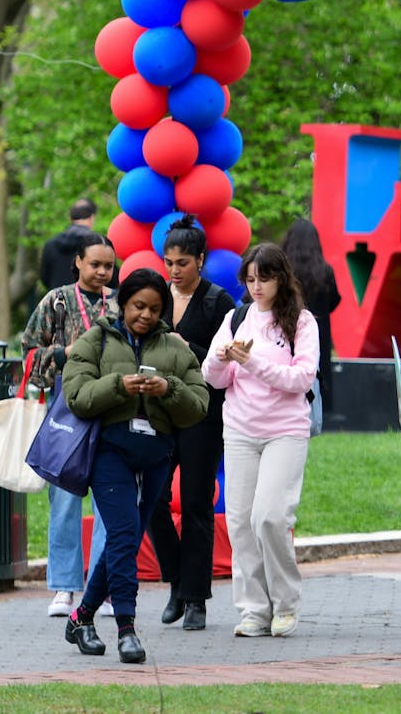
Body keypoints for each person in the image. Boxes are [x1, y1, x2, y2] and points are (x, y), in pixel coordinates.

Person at [61, 268, 210, 663]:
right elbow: (76, 394)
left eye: (154, 308)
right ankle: (127, 629)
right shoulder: (94, 341)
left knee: (124, 540)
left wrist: (168, 388)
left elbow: (199, 403)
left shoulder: (174, 348)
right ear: (123, 303)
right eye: (138, 306)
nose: (145, 315)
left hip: (158, 454)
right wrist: (117, 385)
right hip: (110, 453)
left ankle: (81, 617)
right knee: (125, 534)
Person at [201, 243, 320, 640]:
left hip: (285, 430)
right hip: (238, 429)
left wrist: (252, 362)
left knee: (269, 516)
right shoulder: (237, 319)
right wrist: (222, 358)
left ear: (281, 279)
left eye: (264, 278)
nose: (256, 287)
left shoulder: (301, 323)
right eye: (250, 279)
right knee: (239, 522)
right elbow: (211, 377)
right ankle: (254, 608)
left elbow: (301, 378)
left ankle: (286, 604)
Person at [20, 230, 116, 619]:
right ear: (77, 262)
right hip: (66, 412)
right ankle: (64, 588)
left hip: (112, 407)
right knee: (64, 500)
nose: (102, 272)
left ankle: (104, 588)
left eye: (109, 266)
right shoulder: (55, 301)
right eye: (95, 264)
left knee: (111, 499)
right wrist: (66, 353)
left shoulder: (122, 302)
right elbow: (28, 352)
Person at [147, 216, 235, 632]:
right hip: (159, 414)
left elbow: (225, 361)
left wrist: (189, 347)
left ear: (201, 260)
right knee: (152, 500)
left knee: (197, 504)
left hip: (201, 412)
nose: (174, 270)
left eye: (182, 262)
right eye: (169, 262)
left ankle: (196, 598)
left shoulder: (218, 303)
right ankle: (177, 580)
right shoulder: (156, 299)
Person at [282, 220, 342, 436]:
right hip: (318, 327)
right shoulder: (324, 270)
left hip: (287, 325)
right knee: (316, 371)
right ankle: (316, 411)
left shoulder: (284, 271)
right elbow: (335, 299)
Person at [39, 199, 98, 293]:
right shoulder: (97, 245)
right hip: (88, 303)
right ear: (92, 218)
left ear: (70, 219)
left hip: (58, 302)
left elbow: (45, 278)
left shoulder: (50, 244)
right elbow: (111, 279)